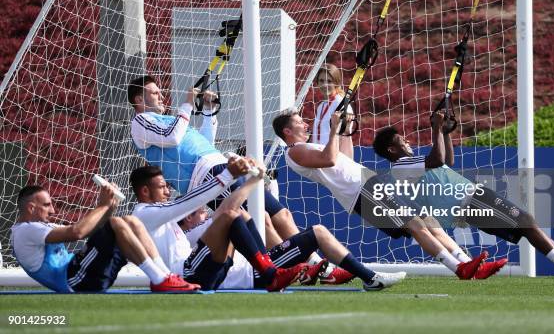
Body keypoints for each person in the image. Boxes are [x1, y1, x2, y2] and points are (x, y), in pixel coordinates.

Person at [127, 75, 349, 283]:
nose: (161, 96)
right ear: (139, 99)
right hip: (207, 177)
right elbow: (173, 137)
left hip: (219, 165)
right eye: (155, 92)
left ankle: (312, 265)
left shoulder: (166, 119)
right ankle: (309, 268)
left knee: (281, 214)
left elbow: (205, 144)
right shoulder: (141, 122)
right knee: (258, 218)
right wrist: (186, 105)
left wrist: (207, 111)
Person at [272, 109, 506, 279]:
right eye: (300, 122)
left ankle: (467, 263)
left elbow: (343, 158)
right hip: (361, 193)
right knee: (415, 224)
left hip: (370, 183)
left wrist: (344, 131)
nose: (305, 124)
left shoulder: (307, 147)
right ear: (287, 131)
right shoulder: (294, 152)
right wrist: (333, 129)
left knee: (428, 220)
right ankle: (458, 268)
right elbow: (329, 158)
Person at [372, 119, 554, 278]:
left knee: (525, 223)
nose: (408, 141)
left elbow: (447, 161)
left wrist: (444, 133)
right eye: (402, 140)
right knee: (525, 220)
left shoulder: (410, 164)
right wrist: (435, 128)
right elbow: (439, 159)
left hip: (470, 200)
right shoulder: (402, 167)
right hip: (468, 200)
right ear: (392, 150)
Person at [134, 165, 406, 291]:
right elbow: (213, 209)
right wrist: (227, 175)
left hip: (242, 266)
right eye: (162, 187)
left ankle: (367, 277)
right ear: (144, 191)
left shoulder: (174, 223)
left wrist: (252, 183)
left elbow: (229, 210)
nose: (168, 191)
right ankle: (275, 272)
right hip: (198, 274)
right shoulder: (147, 213)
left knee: (317, 231)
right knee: (234, 214)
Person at [10, 184, 198, 293]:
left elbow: (94, 230)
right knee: (116, 223)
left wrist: (108, 207)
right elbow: (77, 232)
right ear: (31, 208)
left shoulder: (39, 227)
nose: (52, 210)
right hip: (75, 281)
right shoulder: (25, 231)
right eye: (47, 205)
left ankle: (165, 277)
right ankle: (160, 280)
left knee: (130, 221)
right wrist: (101, 206)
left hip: (83, 273)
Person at [312, 64, 354, 159]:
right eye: (321, 81)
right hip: (320, 158)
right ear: (317, 83)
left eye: (329, 81)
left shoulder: (342, 104)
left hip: (334, 159)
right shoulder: (321, 106)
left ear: (337, 83)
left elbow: (345, 135)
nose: (325, 85)